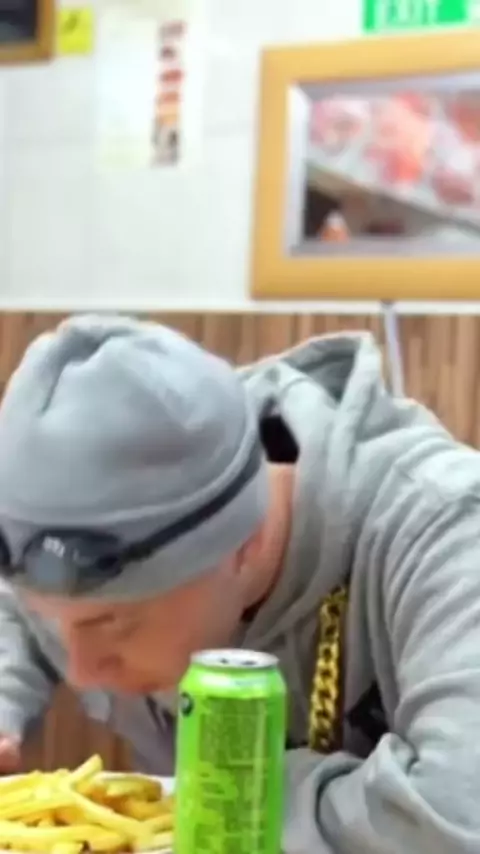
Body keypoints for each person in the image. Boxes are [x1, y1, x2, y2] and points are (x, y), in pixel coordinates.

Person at [0, 313, 478, 854]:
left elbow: (457, 816)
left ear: (245, 541)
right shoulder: (89, 549)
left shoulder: (449, 532)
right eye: (57, 621)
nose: (84, 671)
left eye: (115, 622)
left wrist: (237, 798)